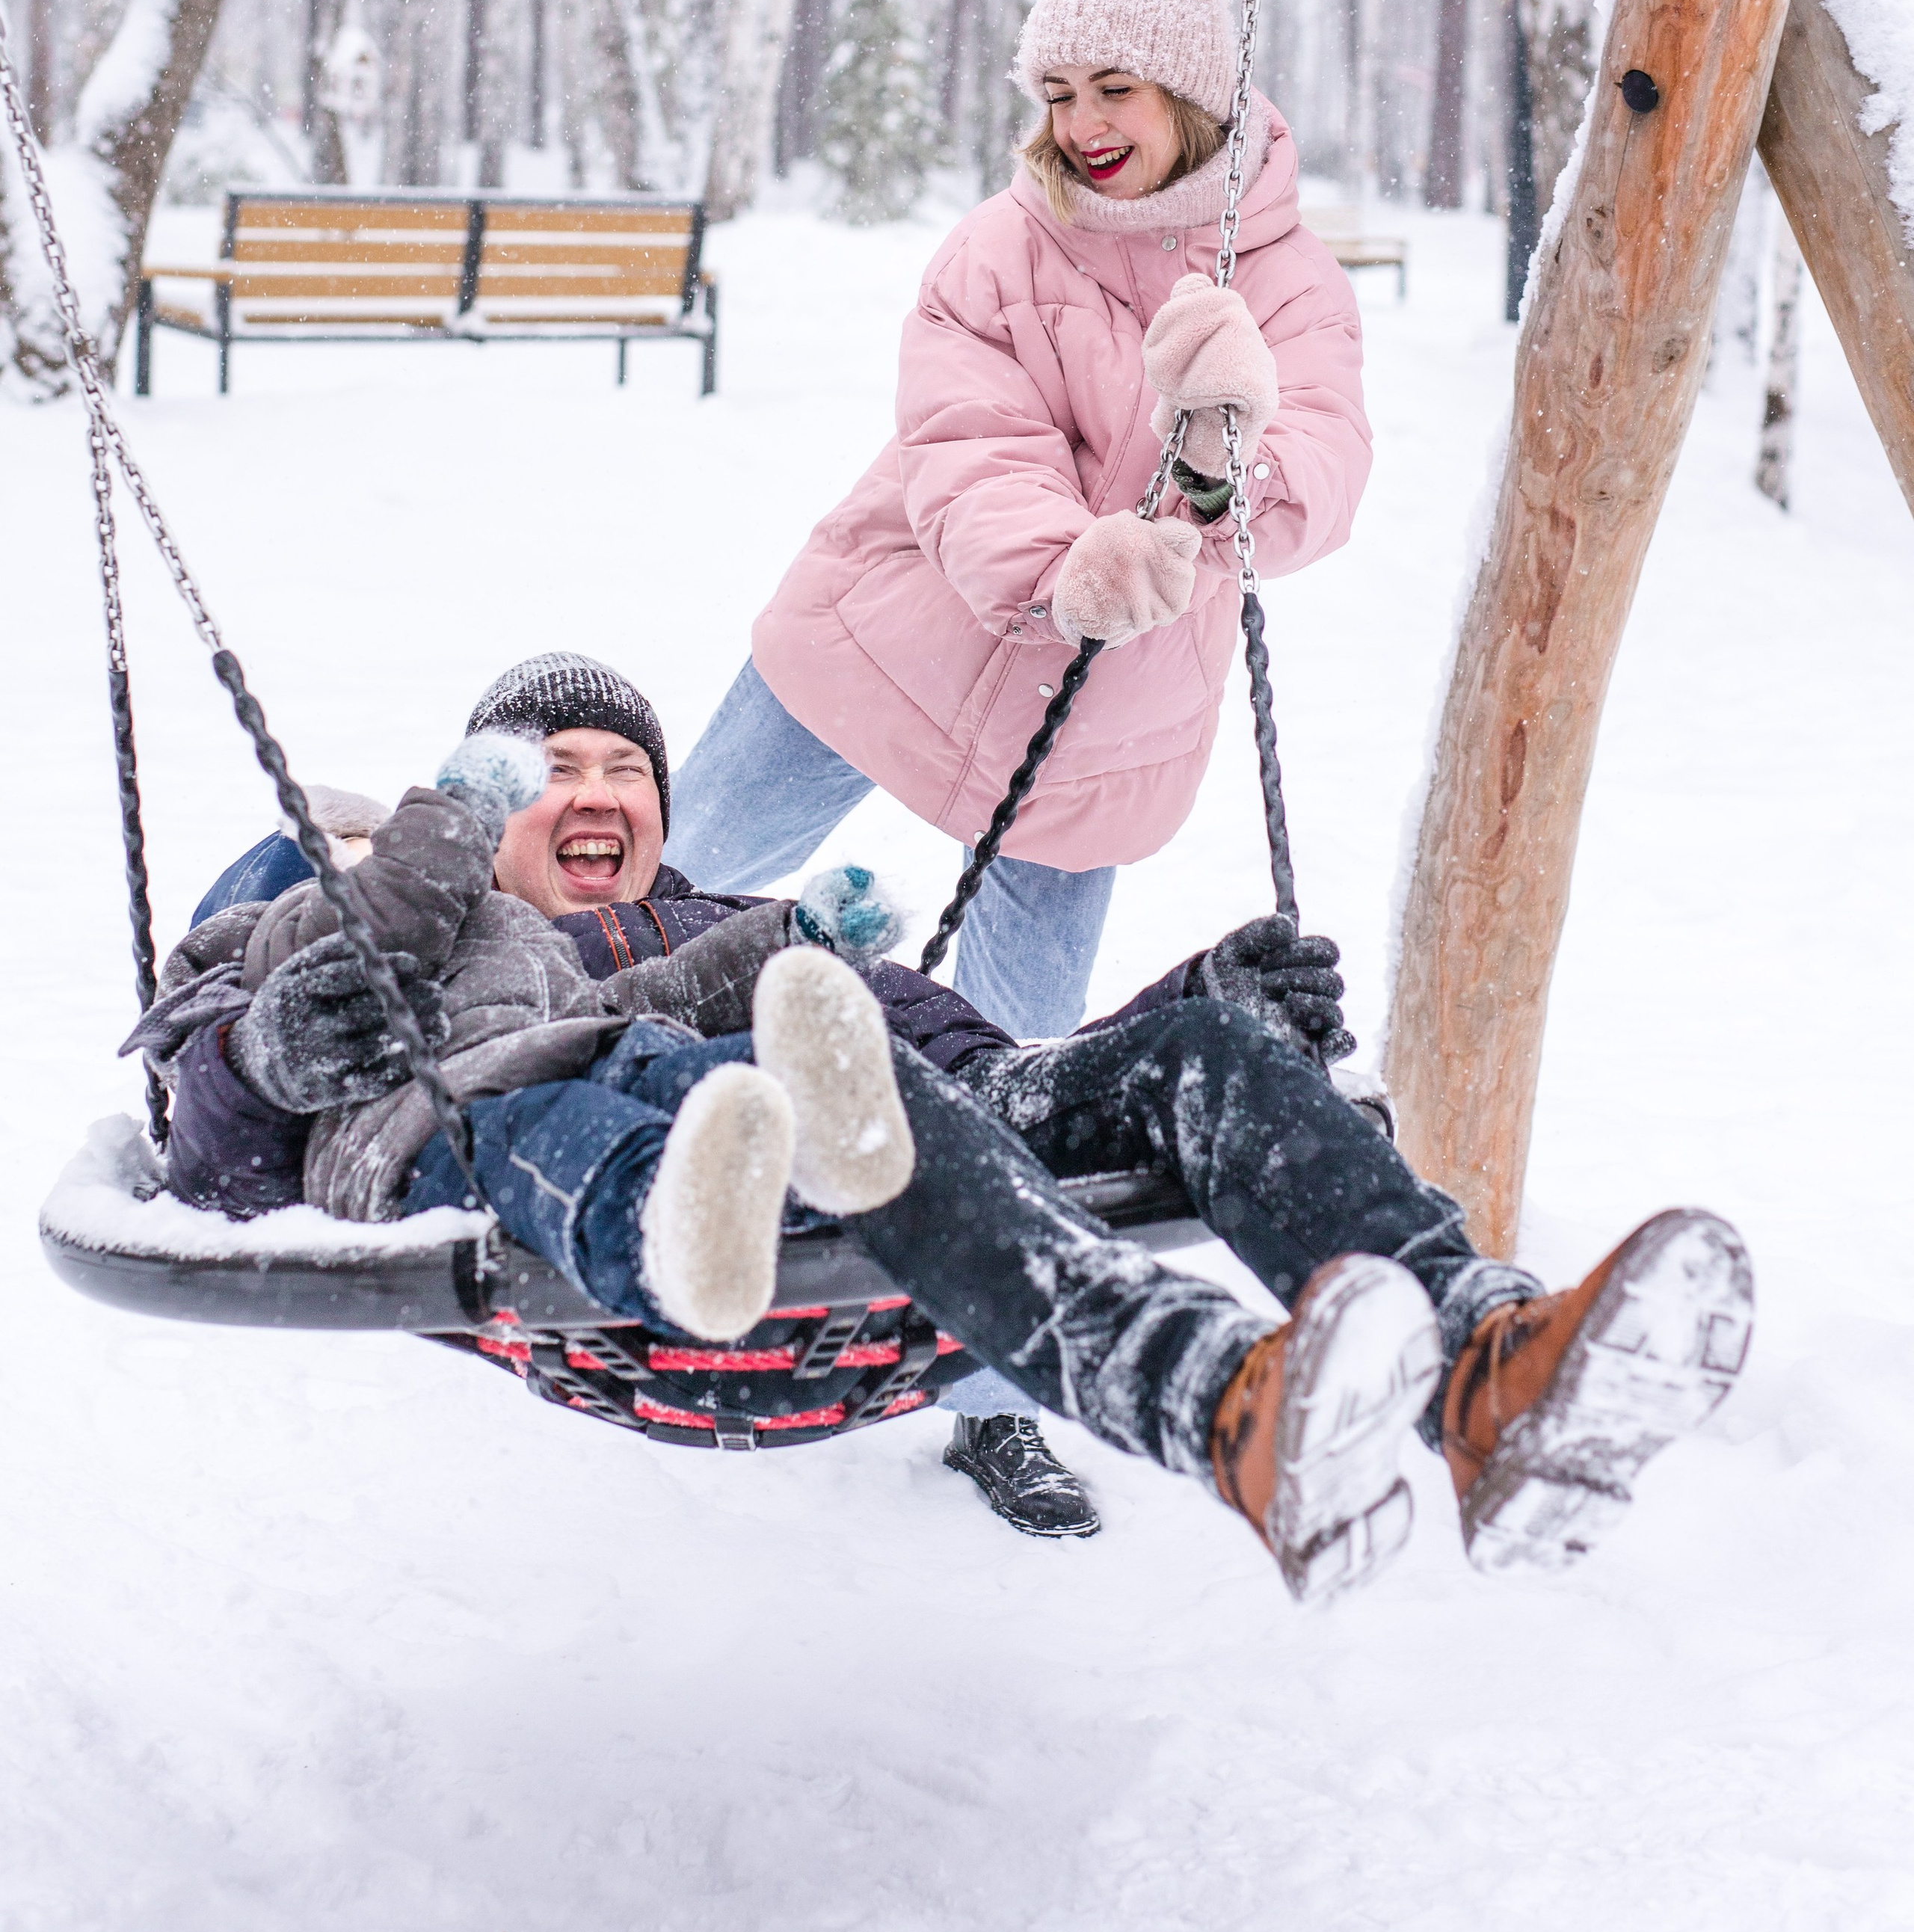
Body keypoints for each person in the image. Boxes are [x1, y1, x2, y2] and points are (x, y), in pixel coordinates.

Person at [146, 655, 1755, 1605]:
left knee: (1168, 1055)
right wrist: (266, 1057)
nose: (586, 790)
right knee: (834, 1105)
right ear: (471, 807)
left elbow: (1000, 1072)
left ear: (660, 814)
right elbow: (209, 1147)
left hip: (887, 1172)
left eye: (623, 768)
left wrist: (1206, 1000)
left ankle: (1487, 1371)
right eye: (541, 767)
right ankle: (1211, 1400)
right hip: (649, 1260)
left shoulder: (753, 932)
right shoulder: (408, 964)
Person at [665, 0, 1371, 1042]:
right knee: (668, 891)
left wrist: (1217, 470)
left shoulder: (1289, 283)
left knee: (1019, 1044)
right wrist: (1061, 564)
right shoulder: (999, 248)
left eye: (1115, 90)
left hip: (1102, 715)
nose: (1082, 124)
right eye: (1058, 94)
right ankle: (537, 1060)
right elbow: (970, 442)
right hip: (884, 638)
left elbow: (1323, 470)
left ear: (1191, 93)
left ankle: (967, 1178)